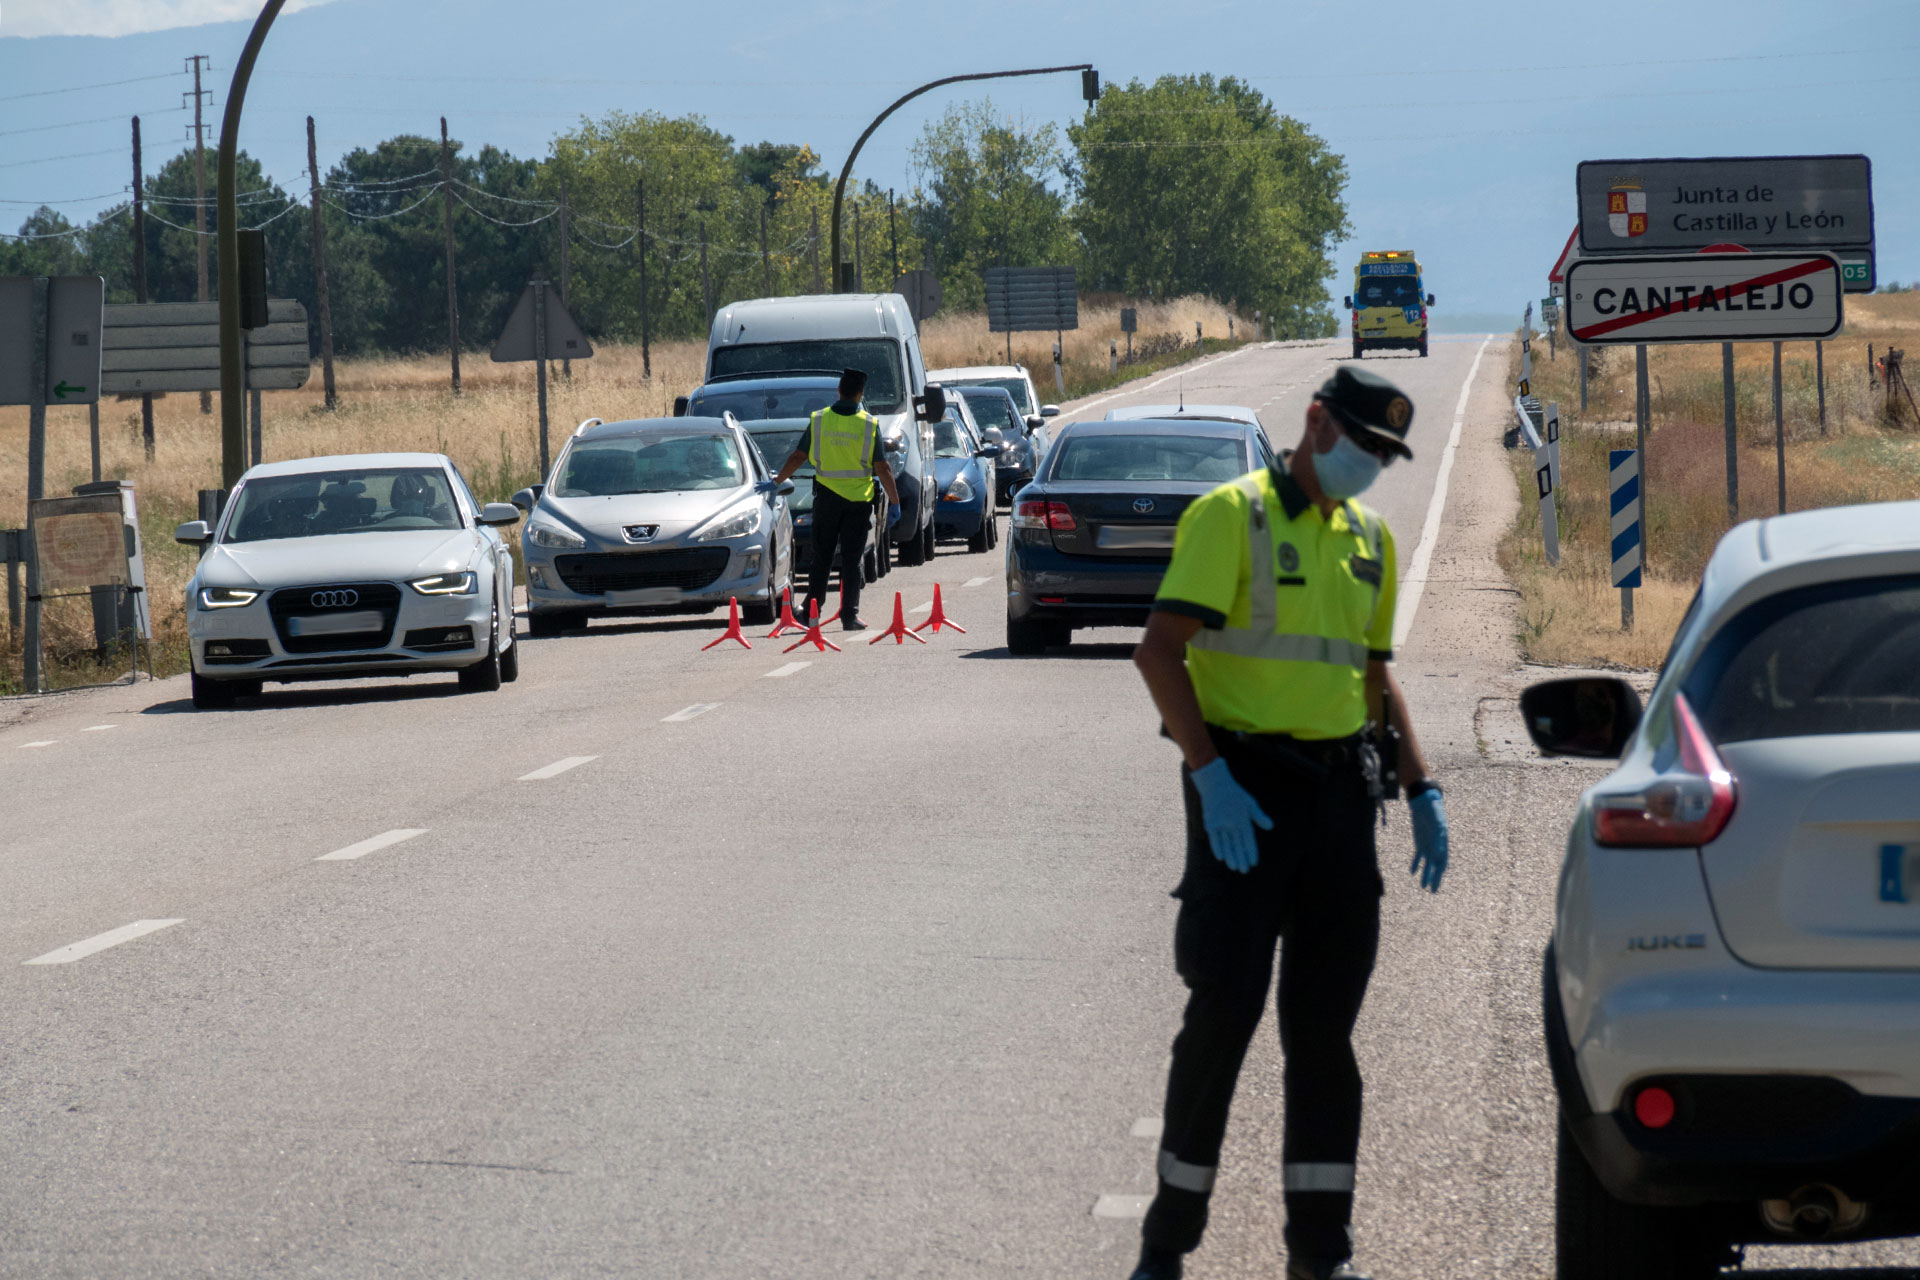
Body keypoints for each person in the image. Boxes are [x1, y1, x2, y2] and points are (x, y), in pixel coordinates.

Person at [1125, 366, 1451, 1280]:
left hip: (1340, 804)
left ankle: (1320, 1253)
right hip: (1246, 792)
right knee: (1222, 1018)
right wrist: (1210, 775)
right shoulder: (1231, 517)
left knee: (1324, 1038)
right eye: (1363, 444)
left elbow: (1373, 679)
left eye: (1384, 455)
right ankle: (1166, 1245)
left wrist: (1421, 788)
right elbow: (1159, 653)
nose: (1370, 464)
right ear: (1316, 422)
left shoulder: (1371, 541)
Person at [768, 368, 901, 632]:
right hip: (858, 503)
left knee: (822, 557)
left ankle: (811, 612)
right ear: (860, 394)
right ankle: (849, 616)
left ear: (838, 391)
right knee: (852, 560)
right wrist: (895, 502)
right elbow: (883, 467)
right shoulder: (869, 424)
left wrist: (777, 481)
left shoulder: (819, 420)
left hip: (827, 500)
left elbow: (798, 456)